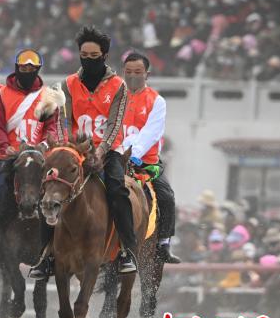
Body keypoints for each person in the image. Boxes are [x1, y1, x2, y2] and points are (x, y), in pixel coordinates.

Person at [31, 26, 136, 279]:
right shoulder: (68, 84)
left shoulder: (119, 86)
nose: (89, 60)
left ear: (104, 56)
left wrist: (100, 151)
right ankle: (45, 256)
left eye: (94, 56)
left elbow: (115, 125)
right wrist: (71, 148)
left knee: (118, 191)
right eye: (84, 55)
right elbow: (64, 121)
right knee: (47, 191)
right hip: (75, 148)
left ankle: (126, 251)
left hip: (107, 150)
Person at [0, 49, 59, 268]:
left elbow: (51, 126)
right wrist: (6, 147)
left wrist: (45, 144)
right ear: (17, 68)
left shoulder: (47, 96)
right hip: (12, 157)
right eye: (24, 67)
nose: (27, 71)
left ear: (38, 70)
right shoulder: (2, 95)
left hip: (40, 157)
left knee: (58, 193)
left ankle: (56, 250)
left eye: (32, 68)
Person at [120, 52, 180, 264]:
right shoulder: (114, 98)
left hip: (146, 162)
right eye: (128, 72)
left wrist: (131, 154)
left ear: (147, 74)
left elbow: (151, 133)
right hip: (115, 157)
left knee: (167, 196)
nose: (132, 76)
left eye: (138, 72)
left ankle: (163, 243)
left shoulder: (157, 101)